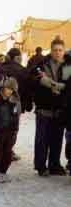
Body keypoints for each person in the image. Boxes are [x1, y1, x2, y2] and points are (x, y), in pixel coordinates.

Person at [31, 38, 68, 176]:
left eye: (60, 50)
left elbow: (68, 85)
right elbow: (36, 79)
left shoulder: (67, 66)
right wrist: (53, 85)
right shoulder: (42, 64)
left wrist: (51, 84)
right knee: (42, 139)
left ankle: (54, 165)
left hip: (60, 109)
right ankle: (41, 166)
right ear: (51, 51)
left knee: (57, 139)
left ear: (63, 51)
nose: (57, 53)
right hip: (44, 107)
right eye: (55, 50)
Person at [0, 77, 21, 183]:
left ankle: (3, 171)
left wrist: (16, 129)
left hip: (10, 131)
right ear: (3, 87)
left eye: (12, 89)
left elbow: (17, 116)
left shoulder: (15, 101)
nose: (9, 91)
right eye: (7, 88)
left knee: (8, 152)